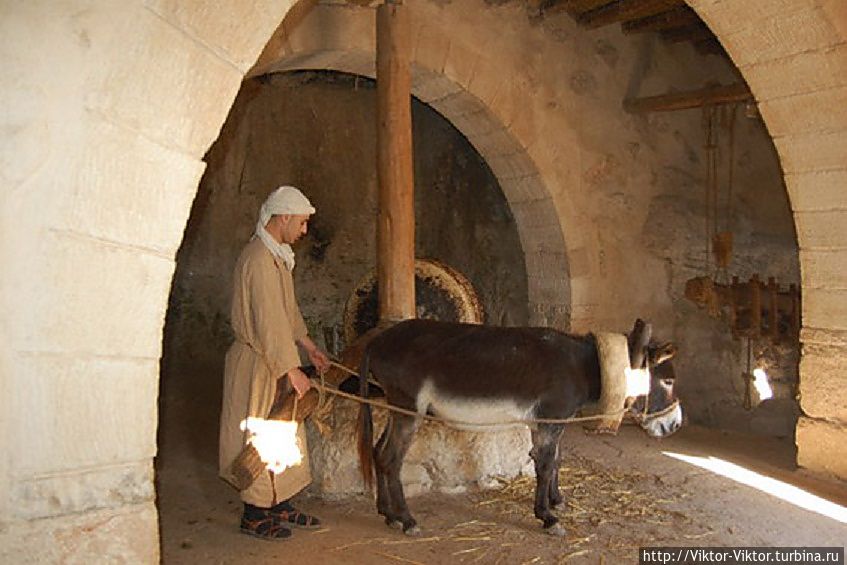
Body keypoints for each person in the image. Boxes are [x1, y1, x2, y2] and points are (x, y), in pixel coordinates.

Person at [219, 186, 331, 540]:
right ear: (283, 217)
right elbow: (268, 322)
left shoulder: (276, 257)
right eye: (300, 223)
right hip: (260, 362)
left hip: (276, 357)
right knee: (262, 435)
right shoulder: (257, 259)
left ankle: (278, 501)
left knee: (283, 433)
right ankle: (254, 512)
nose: (303, 231)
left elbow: (288, 313)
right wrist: (291, 369)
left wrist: (308, 347)